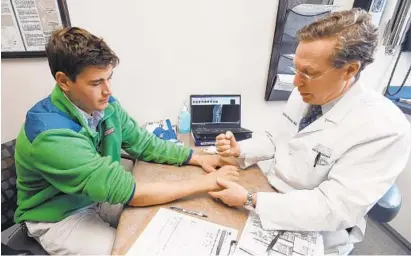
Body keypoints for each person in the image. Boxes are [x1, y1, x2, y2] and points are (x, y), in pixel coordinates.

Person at [14, 27, 239, 255]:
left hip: (95, 197)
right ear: (64, 81)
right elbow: (127, 190)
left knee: (168, 219)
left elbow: (142, 143)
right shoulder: (50, 134)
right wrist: (208, 183)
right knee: (135, 250)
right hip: (59, 217)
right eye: (96, 83)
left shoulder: (106, 105)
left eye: (109, 78)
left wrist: (196, 157)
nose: (108, 90)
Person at [209, 8, 411, 255]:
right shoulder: (305, 92)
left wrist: (250, 200)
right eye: (296, 68)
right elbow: (278, 137)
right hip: (269, 195)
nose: (296, 82)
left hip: (318, 231)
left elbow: (334, 208)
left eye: (309, 73)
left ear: (350, 70)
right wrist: (241, 148)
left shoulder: (385, 128)